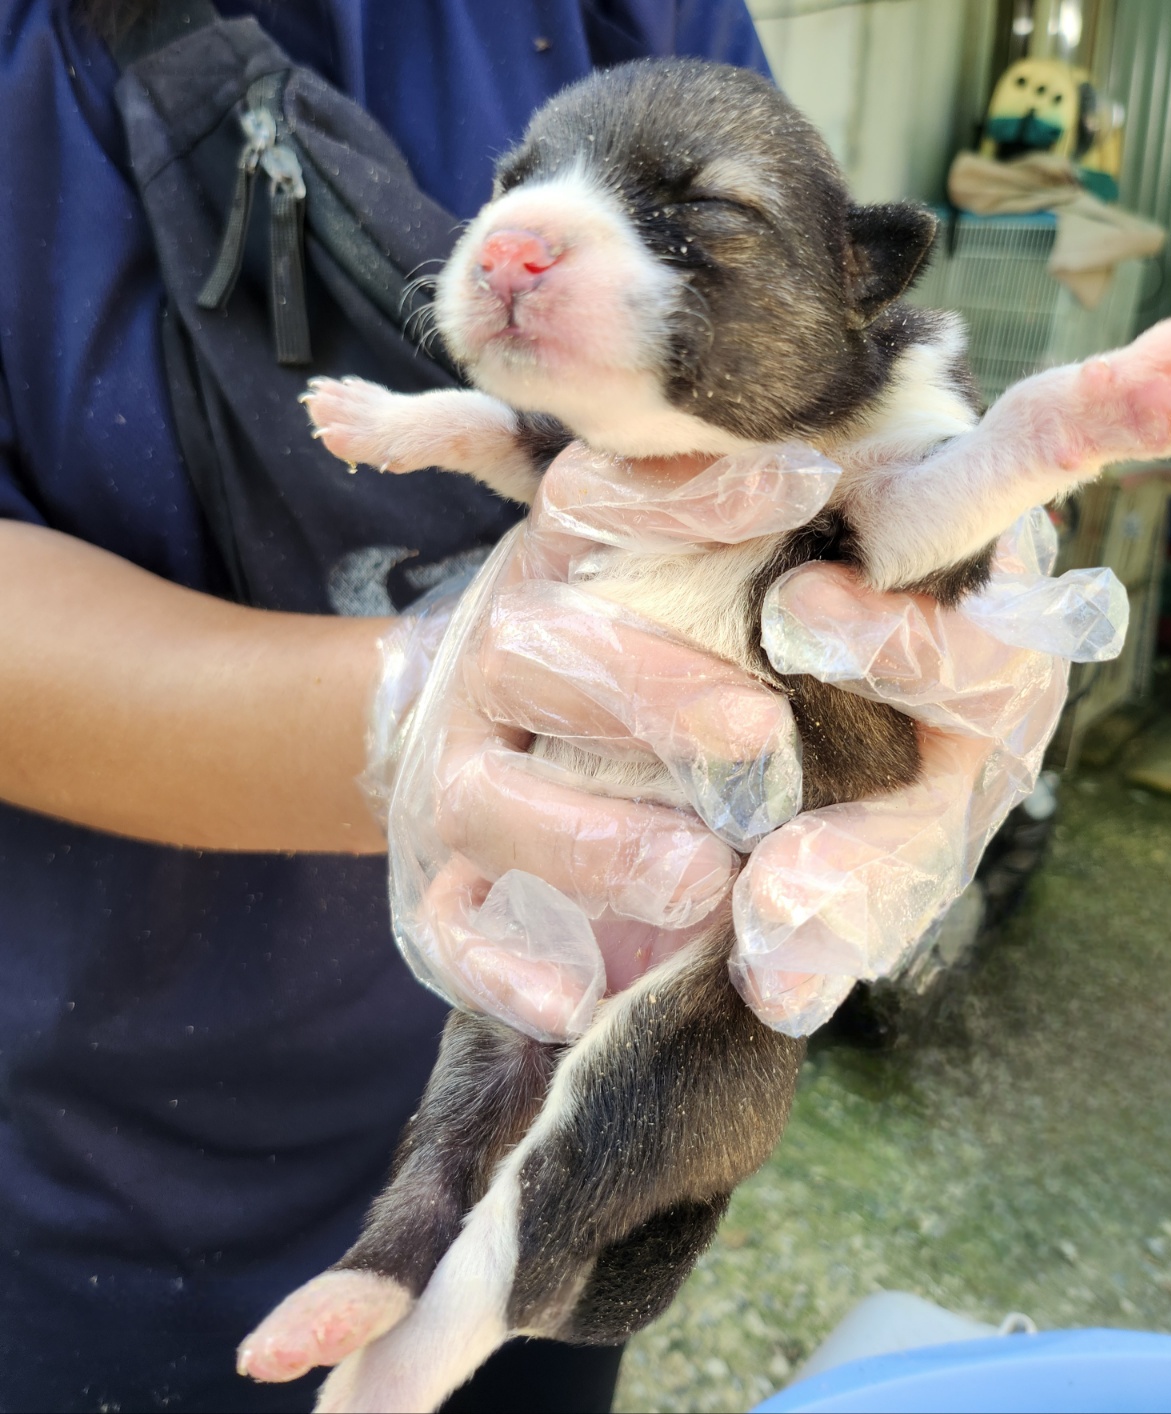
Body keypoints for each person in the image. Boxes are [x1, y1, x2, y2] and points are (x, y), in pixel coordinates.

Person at [0, 1, 1101, 1410]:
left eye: (693, 212)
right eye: (517, 187)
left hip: (609, 1029)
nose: (522, 237)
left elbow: (808, 339)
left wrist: (989, 574)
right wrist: (408, 708)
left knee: (555, 1228)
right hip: (109, 1126)